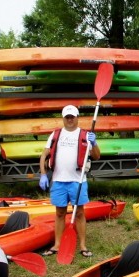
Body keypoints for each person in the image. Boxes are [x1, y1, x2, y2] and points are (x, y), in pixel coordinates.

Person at [39, 105, 100, 258]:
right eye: (67, 117)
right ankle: (57, 245)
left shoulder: (85, 134)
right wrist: (43, 174)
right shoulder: (56, 134)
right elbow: (44, 155)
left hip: (77, 181)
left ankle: (83, 245)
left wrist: (94, 143)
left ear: (77, 117)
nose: (70, 119)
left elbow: (97, 156)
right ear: (63, 118)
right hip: (59, 181)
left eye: (72, 116)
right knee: (59, 213)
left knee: (79, 213)